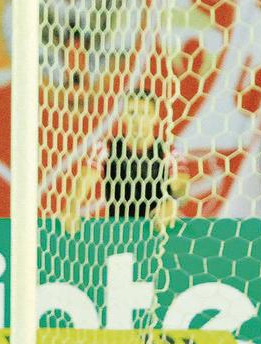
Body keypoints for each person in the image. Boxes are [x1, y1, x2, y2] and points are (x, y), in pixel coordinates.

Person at [64, 88, 187, 234]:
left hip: (160, 230)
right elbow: (82, 183)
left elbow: (181, 188)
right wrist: (71, 209)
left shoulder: (170, 152)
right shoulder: (105, 148)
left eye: (143, 113)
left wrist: (171, 204)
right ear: (123, 116)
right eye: (131, 112)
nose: (137, 119)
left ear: (154, 117)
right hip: (119, 232)